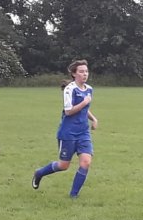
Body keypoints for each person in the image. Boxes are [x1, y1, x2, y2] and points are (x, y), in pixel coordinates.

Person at [31, 59, 98, 199]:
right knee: (63, 165)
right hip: (68, 133)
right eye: (81, 71)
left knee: (86, 162)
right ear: (74, 74)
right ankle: (39, 173)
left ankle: (74, 195)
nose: (85, 74)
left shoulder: (89, 89)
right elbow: (68, 111)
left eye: (86, 71)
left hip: (83, 133)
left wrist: (94, 119)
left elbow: (85, 109)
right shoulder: (70, 89)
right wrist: (84, 102)